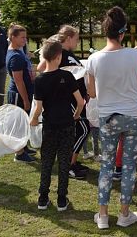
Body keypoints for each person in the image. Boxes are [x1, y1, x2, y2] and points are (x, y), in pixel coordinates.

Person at [86, 6, 137, 230]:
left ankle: (103, 215)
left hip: (108, 118)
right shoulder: (136, 55)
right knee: (128, 166)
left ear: (105, 32)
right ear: (123, 33)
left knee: (106, 165)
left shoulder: (94, 59)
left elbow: (92, 93)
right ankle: (125, 214)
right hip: (134, 116)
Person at [30, 38, 85, 212]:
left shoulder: (39, 80)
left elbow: (38, 108)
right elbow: (80, 102)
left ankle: (43, 198)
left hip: (49, 126)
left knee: (46, 162)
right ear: (58, 57)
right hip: (67, 125)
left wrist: (33, 119)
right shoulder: (67, 76)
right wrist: (76, 115)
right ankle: (62, 199)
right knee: (63, 163)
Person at [40, 25, 90, 179]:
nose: (77, 42)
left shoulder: (67, 54)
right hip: (70, 101)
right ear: (68, 38)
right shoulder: (59, 53)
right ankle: (68, 165)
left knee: (77, 131)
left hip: (77, 99)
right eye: (76, 39)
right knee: (83, 129)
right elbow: (43, 69)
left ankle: (72, 163)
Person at [6, 24, 36, 163]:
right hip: (19, 94)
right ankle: (19, 153)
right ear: (13, 37)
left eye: (26, 37)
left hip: (25, 92)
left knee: (24, 122)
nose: (25, 40)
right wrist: (26, 100)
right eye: (22, 37)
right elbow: (19, 81)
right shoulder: (15, 57)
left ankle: (23, 146)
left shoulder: (19, 52)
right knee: (19, 123)